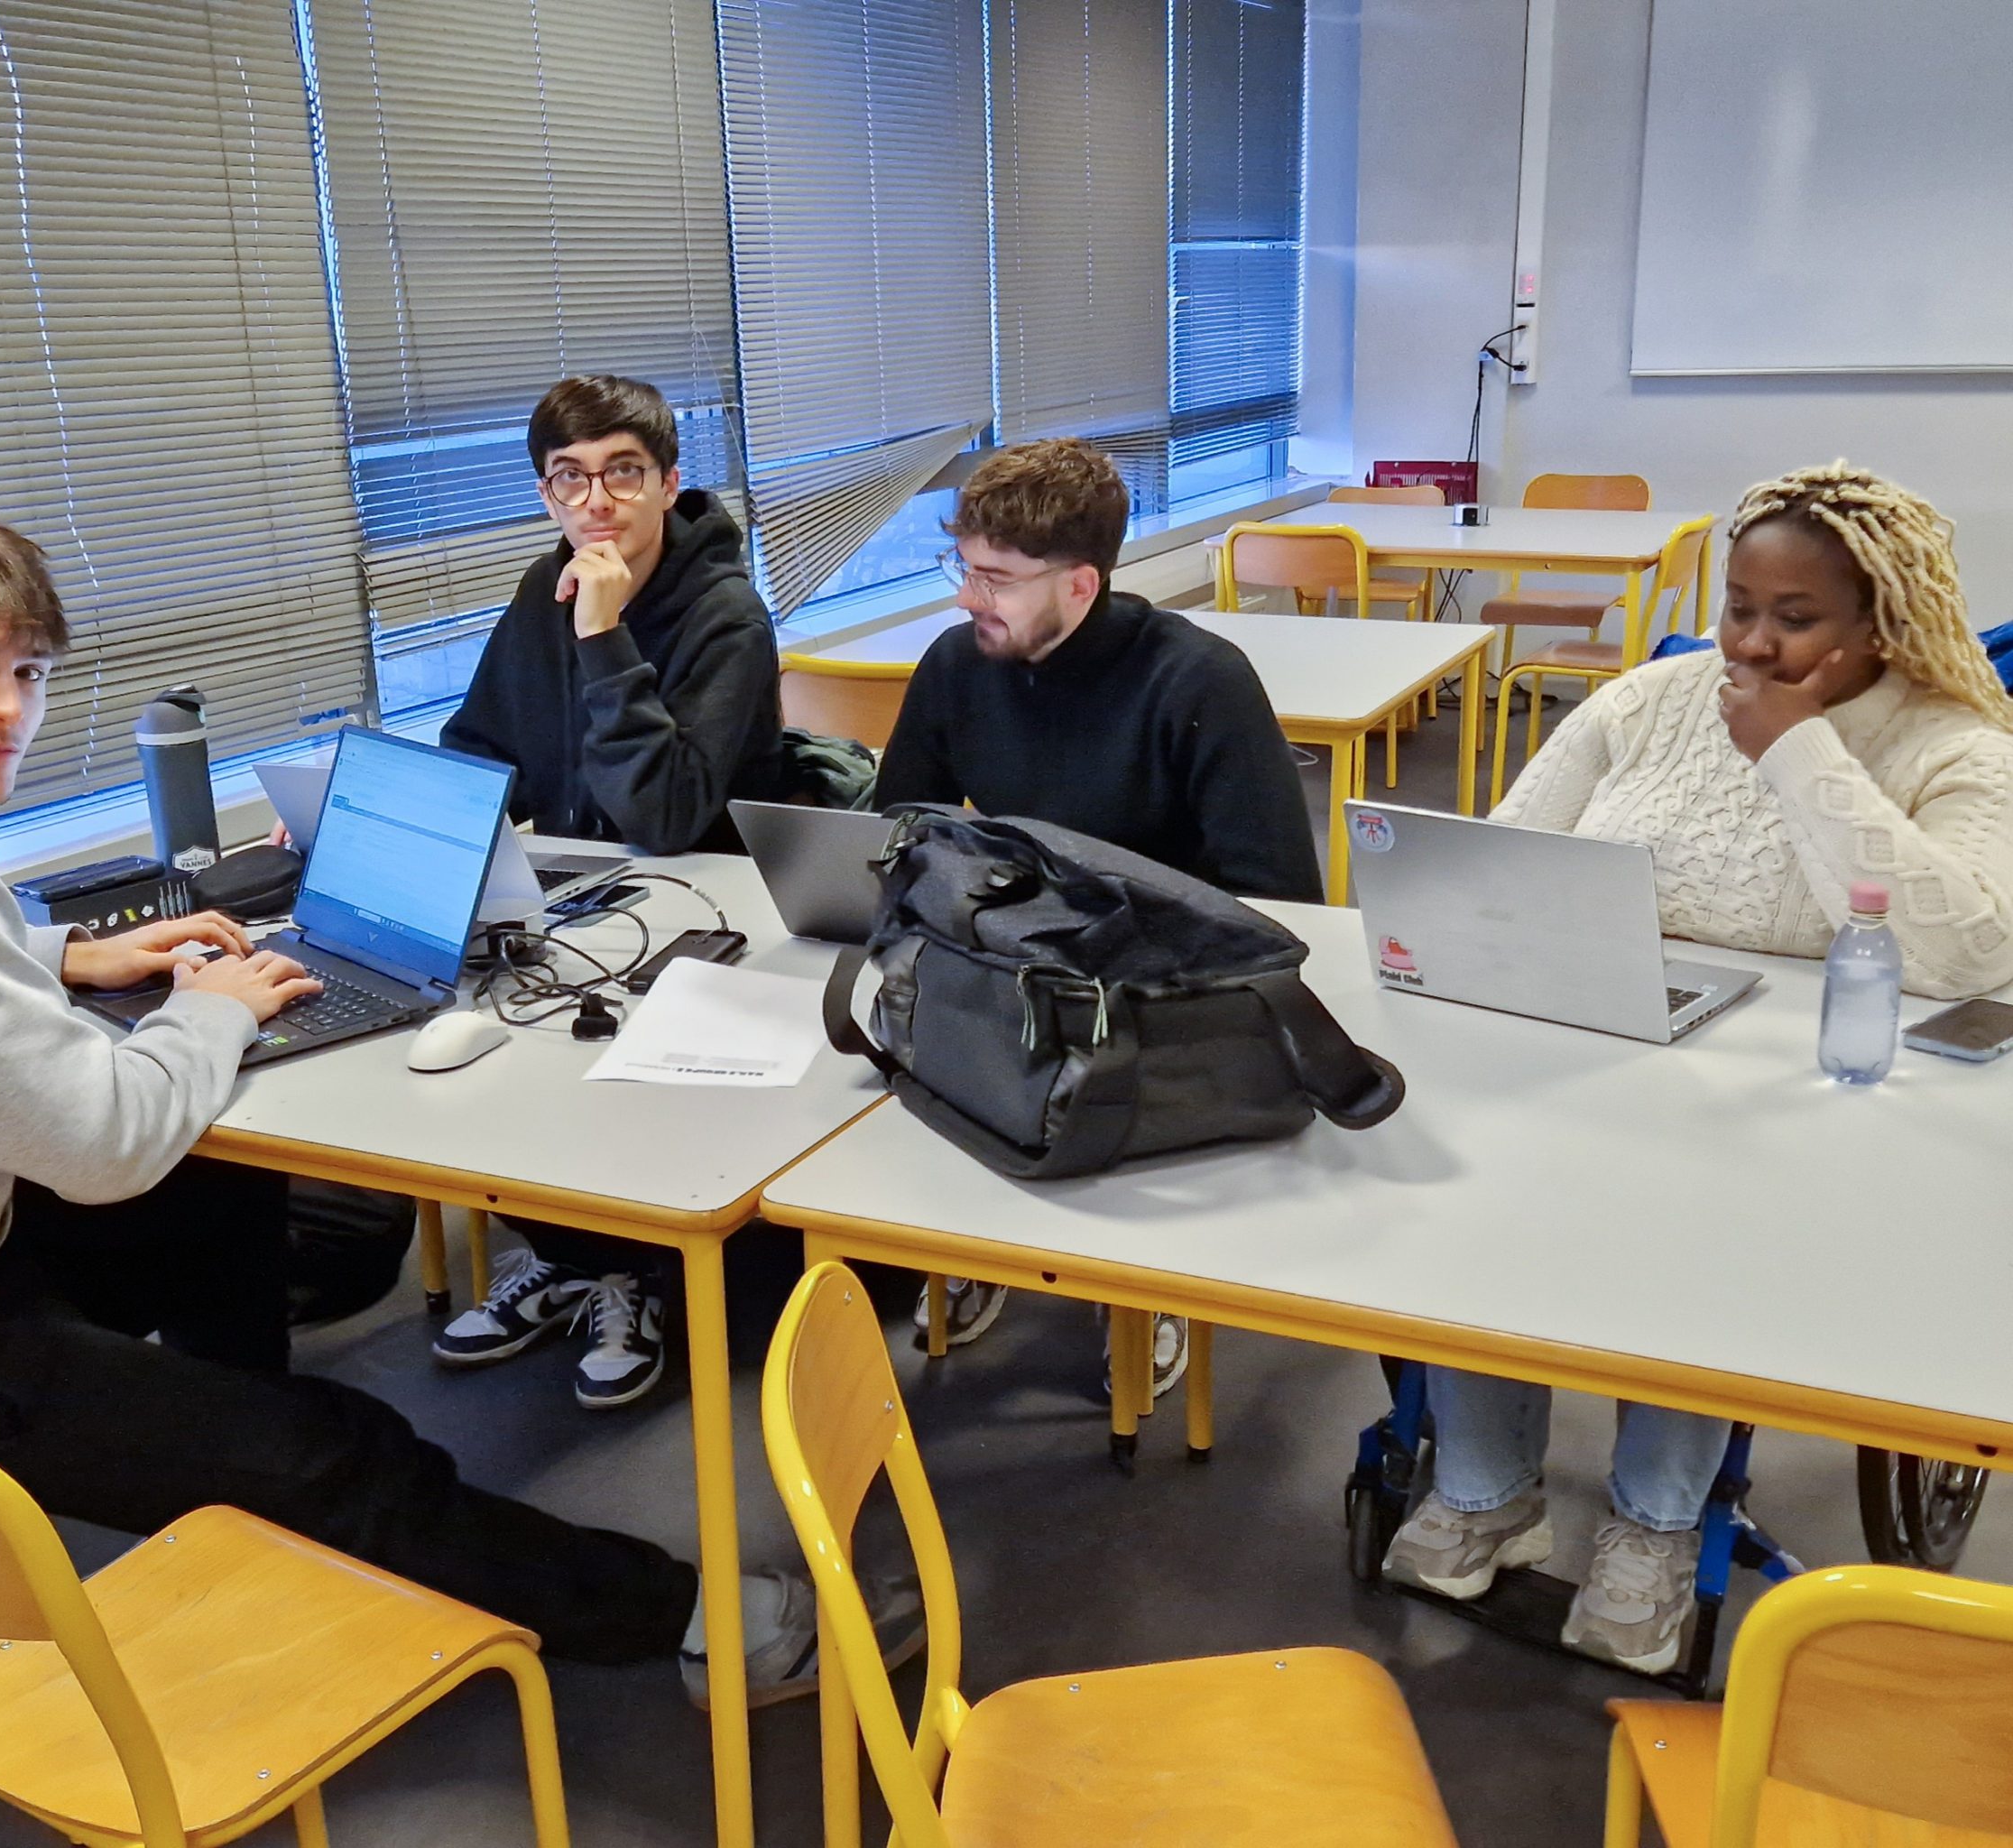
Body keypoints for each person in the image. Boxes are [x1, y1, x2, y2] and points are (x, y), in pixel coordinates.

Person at [0, 506, 912, 1707]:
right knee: (343, 1445)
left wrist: (61, 952)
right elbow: (102, 1142)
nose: (8, 709)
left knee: (211, 1188)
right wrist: (213, 1008)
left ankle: (233, 1464)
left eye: (28, 671)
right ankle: (694, 1622)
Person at [1383, 461, 2013, 1673]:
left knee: (1696, 1226)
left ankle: (1657, 1529)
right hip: (1604, 1037)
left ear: (1879, 623)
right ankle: (1486, 1489)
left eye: (1797, 618)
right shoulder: (1648, 701)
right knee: (1476, 1177)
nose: (1756, 645)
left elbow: (1969, 949)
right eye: (1741, 609)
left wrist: (1799, 754)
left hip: (1802, 1097)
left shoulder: (1955, 748)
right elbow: (1505, 858)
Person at [873, 437, 1325, 1393]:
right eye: (964, 567)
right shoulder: (960, 663)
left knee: (1050, 1081)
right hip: (1014, 962)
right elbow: (899, 822)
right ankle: (986, 1244)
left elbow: (1279, 898)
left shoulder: (1198, 681)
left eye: (994, 577)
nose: (967, 597)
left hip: (1161, 989)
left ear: (1079, 585)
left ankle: (1138, 1281)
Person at [429, 375, 782, 1407]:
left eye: (623, 473)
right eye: (568, 479)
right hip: (592, 901)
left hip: (720, 922)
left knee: (581, 1058)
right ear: (546, 495)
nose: (597, 502)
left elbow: (664, 815)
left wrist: (603, 635)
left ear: (670, 483)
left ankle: (630, 1270)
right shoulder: (542, 592)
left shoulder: (726, 615)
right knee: (480, 1032)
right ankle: (577, 1254)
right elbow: (479, 745)